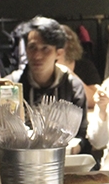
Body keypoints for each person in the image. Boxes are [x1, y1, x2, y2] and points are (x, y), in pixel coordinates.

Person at [6, 16, 90, 151]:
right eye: (32, 47)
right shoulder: (12, 86)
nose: (37, 55)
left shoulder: (73, 87)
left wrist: (73, 149)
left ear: (59, 53)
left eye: (45, 49)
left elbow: (82, 134)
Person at [58, 24, 101, 107]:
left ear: (68, 45)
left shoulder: (85, 66)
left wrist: (67, 73)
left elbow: (94, 99)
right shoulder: (42, 69)